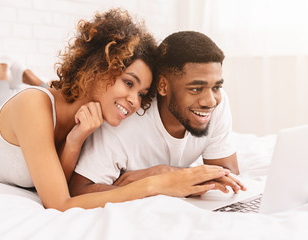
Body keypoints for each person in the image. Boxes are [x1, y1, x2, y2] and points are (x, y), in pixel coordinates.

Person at [0, 9, 230, 211]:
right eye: (129, 83)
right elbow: (60, 204)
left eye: (141, 93)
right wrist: (157, 184)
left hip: (45, 105)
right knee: (3, 91)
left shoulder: (92, 122)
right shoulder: (32, 107)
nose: (134, 102)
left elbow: (61, 184)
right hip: (8, 106)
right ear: (98, 69)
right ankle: (6, 72)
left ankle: (28, 76)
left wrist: (74, 142)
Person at [69, 31, 246, 198]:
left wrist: (166, 175)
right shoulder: (123, 121)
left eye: (216, 87)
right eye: (196, 89)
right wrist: (163, 180)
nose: (210, 101)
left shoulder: (218, 103)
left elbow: (226, 174)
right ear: (162, 86)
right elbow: (79, 190)